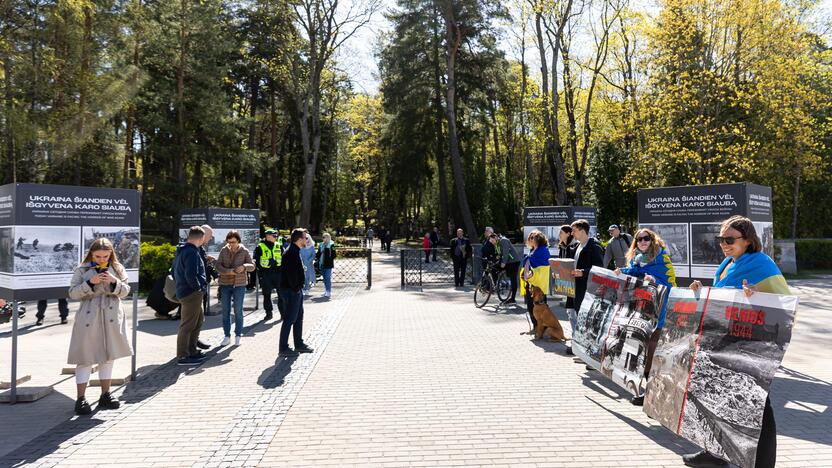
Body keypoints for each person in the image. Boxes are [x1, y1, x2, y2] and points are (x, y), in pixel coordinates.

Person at [683, 216, 789, 468]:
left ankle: (763, 464)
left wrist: (758, 296)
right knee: (716, 397)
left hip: (751, 345)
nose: (724, 244)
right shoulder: (728, 264)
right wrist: (700, 291)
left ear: (748, 240)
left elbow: (785, 306)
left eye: (729, 239)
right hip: (723, 341)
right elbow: (723, 298)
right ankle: (714, 453)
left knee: (759, 404)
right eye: (721, 239)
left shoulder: (762, 264)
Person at [66, 238, 133, 415]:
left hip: (111, 317)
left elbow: (126, 291)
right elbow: (72, 293)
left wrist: (113, 281)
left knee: (108, 356)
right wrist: (90, 283)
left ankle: (106, 394)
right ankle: (80, 399)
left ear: (111, 253)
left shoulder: (118, 268)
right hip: (89, 317)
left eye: (105, 255)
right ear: (91, 254)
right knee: (85, 358)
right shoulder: (82, 270)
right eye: (97, 256)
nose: (101, 259)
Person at [613, 227, 676, 405]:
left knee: (651, 348)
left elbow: (671, 283)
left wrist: (655, 281)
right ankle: (645, 388)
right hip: (640, 309)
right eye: (639, 239)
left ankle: (650, 391)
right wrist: (621, 271)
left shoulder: (662, 258)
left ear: (653, 240)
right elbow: (633, 272)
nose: (642, 242)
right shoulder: (637, 260)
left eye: (646, 239)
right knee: (640, 347)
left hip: (658, 309)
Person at [172, 226, 208, 366]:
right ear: (200, 238)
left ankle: (192, 351)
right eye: (204, 238)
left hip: (188, 292)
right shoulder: (191, 252)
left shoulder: (184, 250)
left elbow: (176, 271)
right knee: (187, 325)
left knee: (197, 321)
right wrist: (198, 288)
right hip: (190, 293)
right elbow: (190, 274)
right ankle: (182, 356)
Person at [571, 219, 605, 361]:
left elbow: (600, 268)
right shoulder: (579, 245)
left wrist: (583, 272)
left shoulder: (594, 246)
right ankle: (584, 353)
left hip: (589, 290)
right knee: (582, 321)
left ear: (583, 230)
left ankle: (592, 356)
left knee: (590, 323)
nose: (572, 233)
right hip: (578, 289)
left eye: (574, 230)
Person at [278, 228, 315, 357]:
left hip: (295, 290)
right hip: (291, 291)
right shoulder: (291, 253)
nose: (307, 240)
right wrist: (297, 288)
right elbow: (291, 275)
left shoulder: (295, 250)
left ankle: (299, 344)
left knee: (298, 318)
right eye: (305, 237)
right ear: (299, 239)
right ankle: (283, 348)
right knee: (289, 319)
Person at [215, 231, 255, 347]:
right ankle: (227, 336)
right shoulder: (224, 250)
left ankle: (238, 335)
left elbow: (252, 266)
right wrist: (228, 271)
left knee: (238, 311)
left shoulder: (244, 251)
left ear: (238, 241)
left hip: (239, 284)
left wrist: (244, 267)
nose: (231, 244)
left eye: (233, 242)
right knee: (225, 311)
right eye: (229, 242)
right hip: (225, 284)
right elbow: (218, 266)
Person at [520, 230, 551, 332]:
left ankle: (544, 328)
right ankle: (536, 327)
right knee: (530, 306)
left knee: (541, 307)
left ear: (536, 239)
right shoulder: (532, 251)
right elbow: (528, 262)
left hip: (539, 285)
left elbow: (540, 266)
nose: (529, 240)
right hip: (531, 283)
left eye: (531, 238)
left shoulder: (543, 251)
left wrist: (529, 263)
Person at [556, 225, 579, 355]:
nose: (559, 234)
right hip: (567, 284)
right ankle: (575, 340)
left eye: (561, 232)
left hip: (575, 284)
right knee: (570, 311)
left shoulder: (574, 247)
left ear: (569, 233)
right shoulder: (562, 246)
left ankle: (576, 342)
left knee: (574, 312)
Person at [254, 229, 285, 321]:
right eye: (274, 236)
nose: (276, 237)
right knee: (267, 295)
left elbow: (284, 259)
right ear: (268, 236)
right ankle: (269, 313)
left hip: (278, 273)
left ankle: (283, 314)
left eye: (276, 236)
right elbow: (256, 260)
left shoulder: (279, 246)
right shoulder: (260, 246)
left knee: (281, 295)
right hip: (266, 274)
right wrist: (261, 272)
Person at [497, 233, 520, 304]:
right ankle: (501, 283)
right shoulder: (498, 242)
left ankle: (513, 299)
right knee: (496, 269)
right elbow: (501, 253)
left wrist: (503, 263)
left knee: (513, 279)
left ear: (496, 237)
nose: (492, 241)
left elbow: (506, 252)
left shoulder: (503, 240)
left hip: (514, 261)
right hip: (509, 261)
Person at [316, 232, 336, 298]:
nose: (323, 238)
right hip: (321, 264)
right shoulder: (321, 245)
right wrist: (320, 253)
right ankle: (326, 290)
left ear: (328, 238)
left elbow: (334, 255)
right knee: (324, 278)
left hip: (328, 264)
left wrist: (327, 253)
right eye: (323, 237)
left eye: (324, 237)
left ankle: (328, 291)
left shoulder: (331, 245)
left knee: (327, 278)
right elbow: (318, 254)